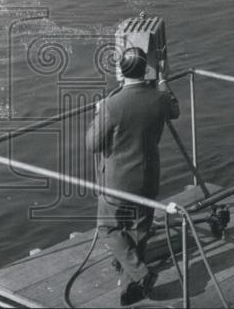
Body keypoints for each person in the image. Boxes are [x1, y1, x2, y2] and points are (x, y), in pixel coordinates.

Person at [86, 47, 179, 305]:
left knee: (108, 227)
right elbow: (175, 110)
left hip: (117, 185)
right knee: (138, 233)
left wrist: (98, 112)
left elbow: (92, 144)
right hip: (148, 179)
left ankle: (141, 273)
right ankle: (131, 289)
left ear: (121, 71)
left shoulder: (111, 105)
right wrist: (162, 81)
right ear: (145, 70)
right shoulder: (159, 99)